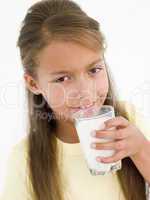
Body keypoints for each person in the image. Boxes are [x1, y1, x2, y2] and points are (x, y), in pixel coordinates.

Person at [0, 0, 150, 200]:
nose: (86, 92)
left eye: (94, 70)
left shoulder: (130, 120)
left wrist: (140, 150)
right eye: (63, 78)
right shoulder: (24, 159)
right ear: (33, 83)